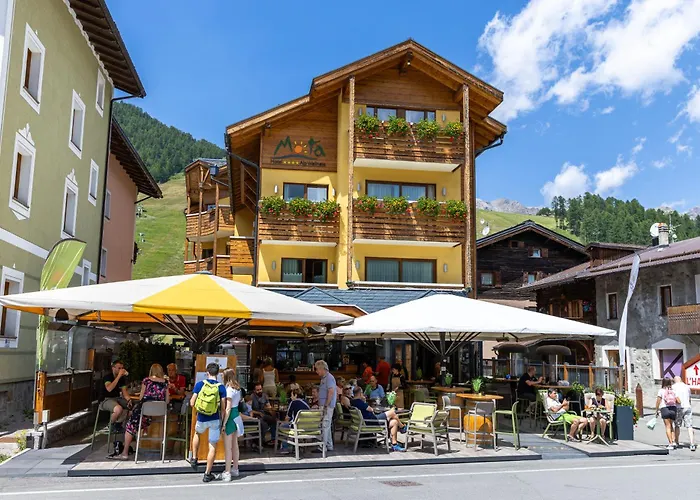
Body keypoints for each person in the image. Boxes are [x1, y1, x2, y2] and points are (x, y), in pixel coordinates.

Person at [112, 363, 169, 460]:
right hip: (159, 413)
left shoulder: (146, 380)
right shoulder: (166, 383)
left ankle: (125, 452)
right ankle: (143, 429)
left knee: (130, 424)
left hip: (145, 412)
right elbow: (167, 401)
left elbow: (141, 397)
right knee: (138, 419)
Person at [189, 362, 227, 482]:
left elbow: (192, 402)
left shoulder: (200, 384)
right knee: (212, 445)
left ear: (207, 373)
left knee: (197, 433)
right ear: (218, 373)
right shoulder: (221, 387)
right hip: (214, 419)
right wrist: (223, 421)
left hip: (201, 418)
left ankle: (194, 458)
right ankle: (207, 474)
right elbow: (223, 408)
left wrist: (199, 409)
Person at [351, 386, 405, 452]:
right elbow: (371, 409)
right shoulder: (359, 402)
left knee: (394, 422)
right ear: (360, 393)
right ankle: (402, 427)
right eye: (362, 393)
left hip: (367, 421)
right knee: (392, 413)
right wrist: (364, 400)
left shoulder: (353, 402)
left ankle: (394, 444)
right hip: (372, 422)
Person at [218, 368, 243, 482]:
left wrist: (223, 424)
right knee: (235, 445)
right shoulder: (238, 389)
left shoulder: (228, 390)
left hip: (230, 418)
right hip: (236, 416)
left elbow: (227, 409)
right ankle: (235, 468)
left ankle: (227, 472)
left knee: (228, 447)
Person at [102, 360, 130, 432]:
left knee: (133, 408)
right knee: (118, 409)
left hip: (117, 398)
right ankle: (110, 425)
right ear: (113, 368)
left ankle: (118, 424)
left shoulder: (122, 379)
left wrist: (129, 400)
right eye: (119, 368)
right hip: (106, 399)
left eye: (122, 368)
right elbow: (109, 388)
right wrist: (118, 376)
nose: (121, 370)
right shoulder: (108, 377)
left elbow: (124, 392)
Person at [315, 360, 336, 453]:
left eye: (317, 369)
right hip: (325, 405)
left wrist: (326, 405)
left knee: (325, 425)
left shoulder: (329, 378)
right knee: (326, 425)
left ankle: (322, 446)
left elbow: (331, 391)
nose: (316, 372)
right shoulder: (324, 378)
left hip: (327, 406)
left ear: (322, 368)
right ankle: (329, 445)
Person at [656, 377, 680, 450]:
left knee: (667, 426)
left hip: (665, 408)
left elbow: (658, 401)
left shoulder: (661, 391)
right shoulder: (673, 391)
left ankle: (670, 443)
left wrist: (657, 410)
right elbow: (678, 401)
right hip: (673, 409)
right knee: (671, 425)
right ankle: (674, 441)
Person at [672, 376, 695, 451]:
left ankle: (676, 441)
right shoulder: (687, 387)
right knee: (689, 426)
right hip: (687, 407)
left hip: (679, 407)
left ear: (674, 380)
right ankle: (692, 443)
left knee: (677, 425)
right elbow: (689, 398)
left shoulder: (673, 387)